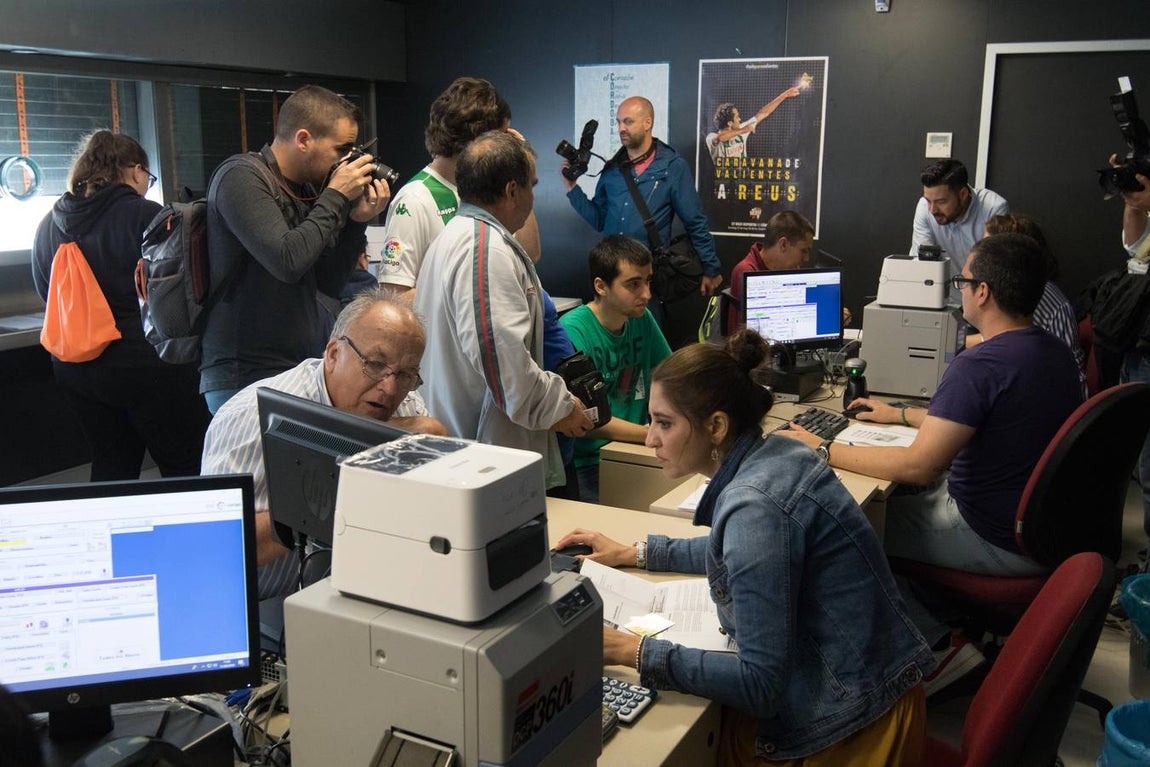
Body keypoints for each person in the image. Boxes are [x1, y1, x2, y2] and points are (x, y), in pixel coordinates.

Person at [556, 330, 933, 765]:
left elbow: (759, 684)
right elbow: (742, 556)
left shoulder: (755, 507)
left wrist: (630, 650)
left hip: (854, 727)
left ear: (716, 426)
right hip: (869, 692)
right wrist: (636, 553)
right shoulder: (779, 454)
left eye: (665, 423)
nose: (650, 439)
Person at [779, 232, 1083, 693]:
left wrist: (820, 449)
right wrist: (899, 414)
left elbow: (920, 466)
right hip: (1042, 526)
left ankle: (940, 649)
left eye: (963, 281)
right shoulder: (1050, 352)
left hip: (990, 533)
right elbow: (984, 419)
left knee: (845, 530)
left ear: (983, 292)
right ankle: (938, 614)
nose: (960, 290)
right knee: (895, 503)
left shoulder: (980, 364)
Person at [201, 289, 445, 600]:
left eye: (406, 374)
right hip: (265, 604)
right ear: (333, 354)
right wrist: (324, 491)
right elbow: (220, 545)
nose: (389, 387)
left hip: (358, 590)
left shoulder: (407, 404)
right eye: (374, 364)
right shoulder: (248, 418)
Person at [415, 131, 594, 490]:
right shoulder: (484, 249)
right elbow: (507, 369)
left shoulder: (455, 237)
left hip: (467, 454)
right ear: (512, 191)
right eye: (532, 185)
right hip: (482, 462)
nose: (533, 197)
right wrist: (562, 408)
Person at [31, 130, 210, 481]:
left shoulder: (49, 223)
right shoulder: (147, 214)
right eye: (148, 176)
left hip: (75, 368)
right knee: (184, 465)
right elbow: (179, 298)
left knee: (112, 465)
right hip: (146, 364)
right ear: (135, 170)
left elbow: (44, 292)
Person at [200, 84, 390, 414]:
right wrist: (335, 196)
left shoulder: (306, 190)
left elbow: (326, 283)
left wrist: (355, 222)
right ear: (303, 139)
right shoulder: (240, 177)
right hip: (244, 374)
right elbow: (287, 261)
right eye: (341, 149)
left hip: (295, 367)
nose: (347, 161)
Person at [379, 77, 541, 295]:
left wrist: (518, 169)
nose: (508, 143)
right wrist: (462, 301)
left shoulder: (490, 189)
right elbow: (394, 294)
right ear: (479, 140)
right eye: (503, 136)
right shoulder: (414, 200)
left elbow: (531, 253)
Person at [563, 96, 722, 308]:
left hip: (647, 279)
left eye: (628, 122)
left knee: (646, 327)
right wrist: (572, 188)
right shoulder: (612, 169)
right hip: (610, 275)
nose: (621, 128)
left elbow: (695, 222)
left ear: (648, 123)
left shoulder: (672, 166)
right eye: (619, 122)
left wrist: (711, 268)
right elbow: (599, 220)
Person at [559, 235, 672, 502]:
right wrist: (652, 433)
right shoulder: (573, 331)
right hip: (590, 462)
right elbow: (586, 421)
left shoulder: (641, 319)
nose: (646, 294)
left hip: (634, 449)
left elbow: (671, 375)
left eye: (647, 281)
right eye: (633, 284)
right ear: (601, 286)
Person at [978, 214, 1086, 393]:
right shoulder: (1029, 288)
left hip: (1052, 393)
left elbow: (1002, 345)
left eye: (987, 251)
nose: (979, 257)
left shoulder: (1033, 296)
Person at [911, 158, 1007, 271]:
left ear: (963, 194)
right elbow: (922, 265)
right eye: (928, 200)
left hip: (979, 281)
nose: (932, 210)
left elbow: (990, 266)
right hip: (938, 281)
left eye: (941, 202)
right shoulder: (923, 207)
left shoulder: (993, 209)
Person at [725, 210, 815, 332]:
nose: (806, 258)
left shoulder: (790, 269)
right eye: (803, 251)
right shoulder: (746, 272)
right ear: (783, 244)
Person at [705, 88, 801, 161]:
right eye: (737, 117)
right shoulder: (711, 137)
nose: (740, 119)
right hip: (723, 181)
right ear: (730, 123)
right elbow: (720, 138)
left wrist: (784, 95)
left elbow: (763, 113)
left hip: (742, 179)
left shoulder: (741, 129)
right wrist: (744, 130)